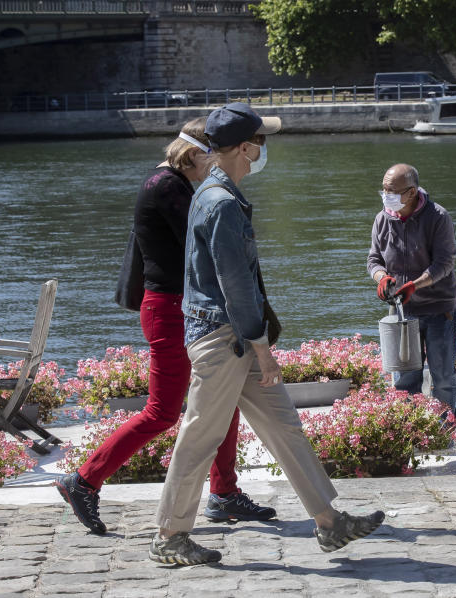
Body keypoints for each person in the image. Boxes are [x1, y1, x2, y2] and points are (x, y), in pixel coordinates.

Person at [149, 103, 385, 566]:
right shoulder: (221, 203)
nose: (263, 149)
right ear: (243, 148)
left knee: (284, 427)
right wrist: (263, 351)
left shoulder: (214, 192)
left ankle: (329, 523)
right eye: (261, 141)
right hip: (226, 339)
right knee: (200, 437)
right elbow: (235, 287)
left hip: (226, 334)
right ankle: (169, 536)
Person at [56, 117, 276, 535]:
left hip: (183, 307)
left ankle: (225, 492)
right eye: (214, 153)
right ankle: (83, 480)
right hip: (172, 308)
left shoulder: (173, 184)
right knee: (162, 411)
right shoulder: (168, 187)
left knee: (222, 398)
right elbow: (207, 249)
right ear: (195, 154)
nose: (221, 162)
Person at [368, 164, 456, 420]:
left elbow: (444, 263)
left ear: (411, 192)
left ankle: (446, 431)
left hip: (439, 309)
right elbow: (373, 260)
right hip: (402, 312)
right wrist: (382, 278)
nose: (387, 195)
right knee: (405, 379)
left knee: (443, 377)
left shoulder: (438, 217)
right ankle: (410, 432)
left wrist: (414, 285)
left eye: (392, 190)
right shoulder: (382, 219)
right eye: (384, 190)